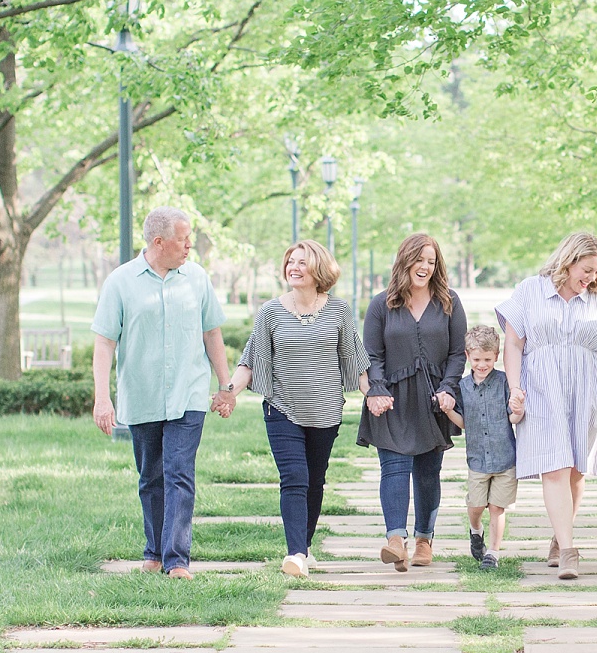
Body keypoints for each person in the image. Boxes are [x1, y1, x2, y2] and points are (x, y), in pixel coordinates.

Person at [91, 208, 233, 580]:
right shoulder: (120, 282)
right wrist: (102, 397)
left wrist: (225, 386)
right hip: (143, 394)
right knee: (151, 476)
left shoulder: (197, 278)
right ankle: (153, 552)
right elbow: (105, 342)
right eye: (183, 239)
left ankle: (176, 560)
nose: (190, 245)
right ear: (158, 242)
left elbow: (211, 333)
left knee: (179, 473)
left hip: (188, 393)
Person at [220, 240, 370, 578]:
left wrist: (372, 395)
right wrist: (229, 391)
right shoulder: (271, 312)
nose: (294, 267)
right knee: (295, 478)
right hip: (282, 409)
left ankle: (304, 545)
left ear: (319, 270)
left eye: (303, 262)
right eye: (291, 261)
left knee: (315, 481)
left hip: (326, 411)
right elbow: (252, 360)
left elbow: (354, 360)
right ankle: (296, 554)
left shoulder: (338, 310)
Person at [497, 231, 597, 580]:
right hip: (541, 389)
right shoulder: (531, 290)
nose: (591, 278)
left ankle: (561, 535)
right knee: (554, 467)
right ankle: (570, 550)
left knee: (575, 468)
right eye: (586, 270)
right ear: (568, 260)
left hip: (587, 391)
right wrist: (514, 387)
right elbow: (513, 343)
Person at [359, 234, 468, 571]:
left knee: (427, 472)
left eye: (431, 261)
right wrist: (376, 390)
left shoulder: (449, 301)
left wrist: (449, 388)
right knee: (393, 467)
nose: (424, 267)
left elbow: (456, 353)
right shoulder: (381, 305)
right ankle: (395, 540)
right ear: (404, 261)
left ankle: (424, 539)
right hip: (390, 398)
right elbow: (371, 354)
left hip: (434, 399)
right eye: (418, 260)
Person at [438, 324, 517, 569]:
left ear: (496, 356)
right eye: (477, 359)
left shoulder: (504, 382)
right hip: (478, 460)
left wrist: (518, 410)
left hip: (505, 459)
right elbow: (464, 423)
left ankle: (493, 553)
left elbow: (511, 417)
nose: (482, 365)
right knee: (476, 506)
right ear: (467, 357)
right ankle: (475, 530)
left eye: (487, 359)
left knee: (497, 507)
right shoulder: (462, 388)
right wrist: (449, 410)